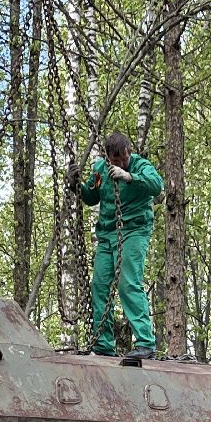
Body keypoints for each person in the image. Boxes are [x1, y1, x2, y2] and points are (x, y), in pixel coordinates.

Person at [79, 131, 163, 360]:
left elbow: (157, 185)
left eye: (124, 158)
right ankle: (104, 343)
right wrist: (77, 185)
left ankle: (145, 342)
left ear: (128, 152)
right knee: (100, 285)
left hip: (134, 230)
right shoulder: (99, 169)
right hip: (107, 234)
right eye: (116, 160)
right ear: (108, 158)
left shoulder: (140, 165)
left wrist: (129, 176)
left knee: (128, 282)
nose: (121, 162)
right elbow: (91, 197)